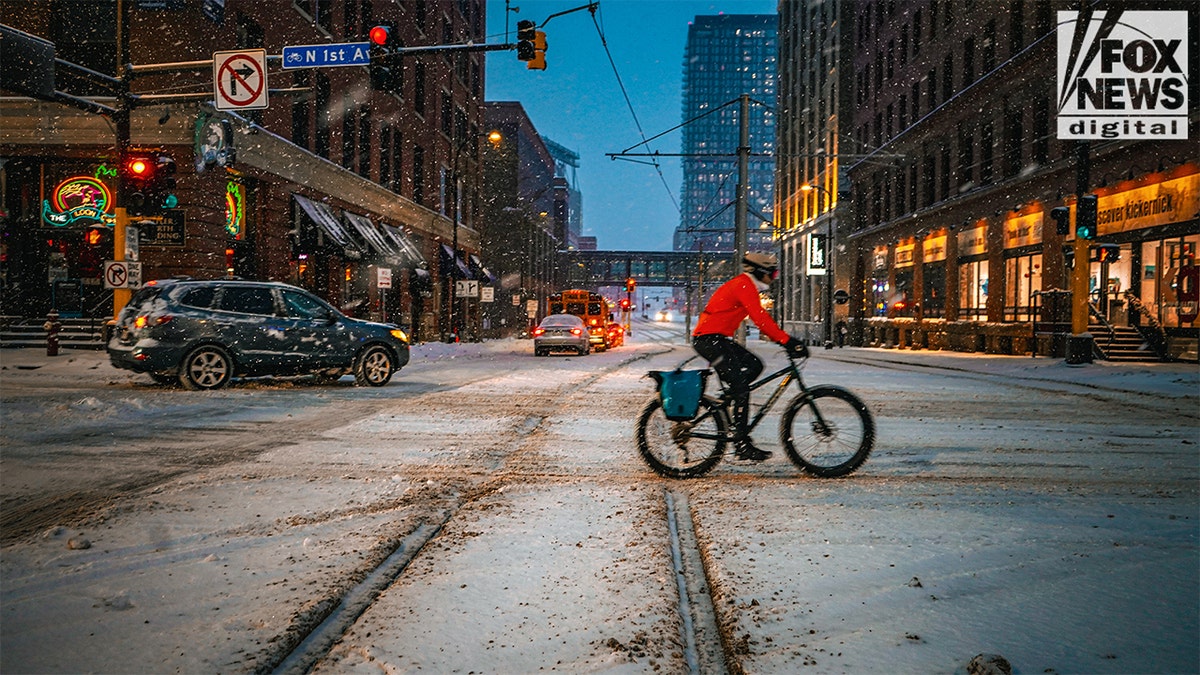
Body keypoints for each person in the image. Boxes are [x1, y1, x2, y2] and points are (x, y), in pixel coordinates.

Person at [692, 252, 807, 461]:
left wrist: (782, 339)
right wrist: (787, 341)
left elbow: (760, 318)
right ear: (760, 271)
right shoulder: (744, 285)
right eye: (773, 273)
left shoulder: (746, 285)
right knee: (741, 388)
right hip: (709, 340)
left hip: (717, 339)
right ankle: (741, 443)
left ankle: (731, 400)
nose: (774, 277)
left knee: (754, 365)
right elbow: (760, 318)